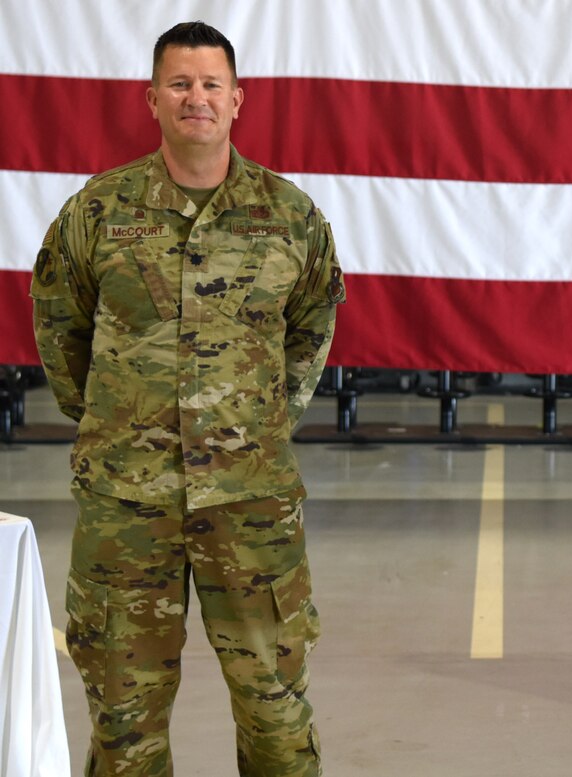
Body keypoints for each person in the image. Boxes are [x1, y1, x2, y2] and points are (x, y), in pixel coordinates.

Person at [30, 21, 344, 776]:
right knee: (123, 720)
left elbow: (311, 327)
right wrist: (115, 423)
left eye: (210, 85)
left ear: (238, 100)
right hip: (126, 507)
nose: (195, 98)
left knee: (275, 709)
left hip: (252, 505)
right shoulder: (99, 212)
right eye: (179, 83)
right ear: (152, 99)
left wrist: (257, 425)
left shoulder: (289, 216)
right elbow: (59, 323)